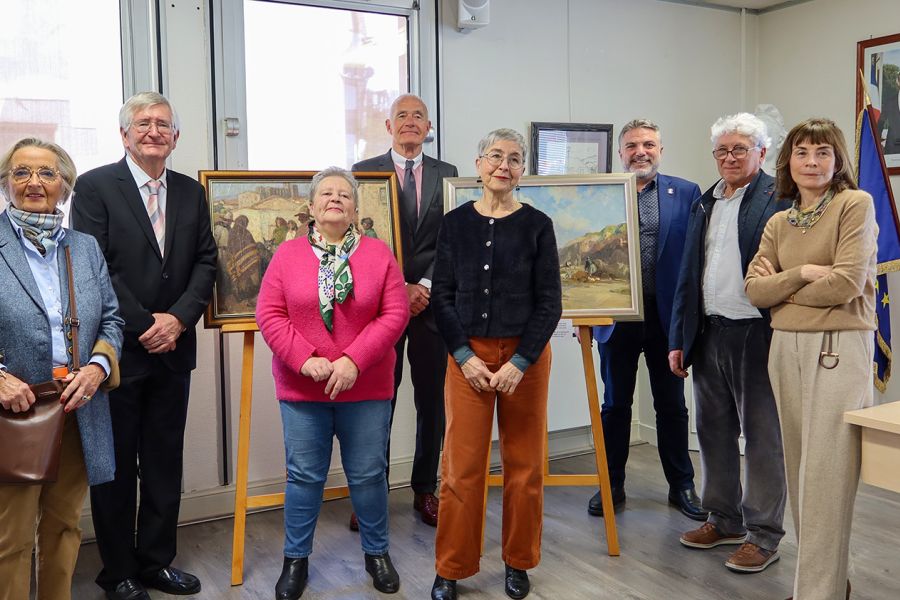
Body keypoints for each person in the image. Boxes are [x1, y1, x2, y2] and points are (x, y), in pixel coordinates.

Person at [71, 92, 217, 600]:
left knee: (162, 461)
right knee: (114, 467)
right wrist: (143, 323)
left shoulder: (191, 192)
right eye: (143, 123)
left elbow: (206, 263)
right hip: (117, 353)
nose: (154, 131)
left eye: (164, 124)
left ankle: (156, 562)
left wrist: (177, 320)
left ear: (176, 137)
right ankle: (118, 572)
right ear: (124, 134)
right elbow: (96, 266)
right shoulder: (93, 188)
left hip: (174, 350)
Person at [256, 166, 409, 600]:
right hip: (304, 389)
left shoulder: (379, 254)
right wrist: (305, 360)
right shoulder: (286, 256)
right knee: (304, 476)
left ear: (355, 207)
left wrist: (352, 361)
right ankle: (295, 561)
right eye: (326, 193)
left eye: (344, 194)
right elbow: (270, 315)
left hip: (366, 386)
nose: (335, 199)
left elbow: (394, 314)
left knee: (368, 473)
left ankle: (376, 554)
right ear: (311, 206)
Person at [745, 118, 876, 600]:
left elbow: (846, 283)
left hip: (838, 349)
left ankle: (815, 592)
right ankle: (826, 584)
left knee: (827, 475)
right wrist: (799, 272)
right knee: (801, 472)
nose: (812, 162)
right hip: (785, 352)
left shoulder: (854, 205)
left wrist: (785, 297)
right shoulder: (779, 221)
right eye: (802, 152)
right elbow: (755, 290)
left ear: (838, 159)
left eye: (823, 152)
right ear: (788, 161)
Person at [430, 129, 562, 600]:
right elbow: (441, 297)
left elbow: (550, 303)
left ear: (522, 169)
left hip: (524, 362)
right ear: (478, 163)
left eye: (513, 159)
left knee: (524, 468)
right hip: (469, 358)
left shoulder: (538, 225)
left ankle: (518, 561)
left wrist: (520, 362)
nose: (503, 166)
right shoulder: (455, 224)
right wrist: (464, 357)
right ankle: (451, 566)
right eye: (495, 157)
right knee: (461, 469)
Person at [0, 138, 123, 600]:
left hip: (79, 406)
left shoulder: (85, 247)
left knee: (64, 526)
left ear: (65, 186)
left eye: (47, 173)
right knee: (9, 540)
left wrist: (97, 365)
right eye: (21, 172)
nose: (34, 183)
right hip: (16, 415)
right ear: (7, 183)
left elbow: (111, 318)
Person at [668, 112, 789, 574]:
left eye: (740, 149)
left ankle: (764, 535)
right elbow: (688, 274)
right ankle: (724, 519)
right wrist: (681, 336)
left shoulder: (779, 197)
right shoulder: (706, 200)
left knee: (762, 438)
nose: (730, 157)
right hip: (709, 333)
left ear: (761, 152)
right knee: (713, 433)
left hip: (760, 334)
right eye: (722, 150)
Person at [588, 119, 705, 521]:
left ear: (660, 149)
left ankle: (682, 485)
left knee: (671, 405)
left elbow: (695, 260)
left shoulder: (685, 192)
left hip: (666, 318)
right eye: (633, 145)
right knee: (615, 404)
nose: (642, 151)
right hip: (617, 317)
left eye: (649, 144)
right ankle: (611, 483)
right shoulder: (603, 195)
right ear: (621, 152)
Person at [352, 94, 459, 528]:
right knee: (379, 399)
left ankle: (424, 489)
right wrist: (400, 287)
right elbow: (360, 242)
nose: (410, 122)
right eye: (402, 116)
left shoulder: (448, 174)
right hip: (381, 304)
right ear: (388, 124)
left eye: (418, 116)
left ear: (428, 125)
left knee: (432, 401)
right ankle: (370, 492)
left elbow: (452, 237)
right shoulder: (362, 174)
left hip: (433, 305)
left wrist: (426, 286)